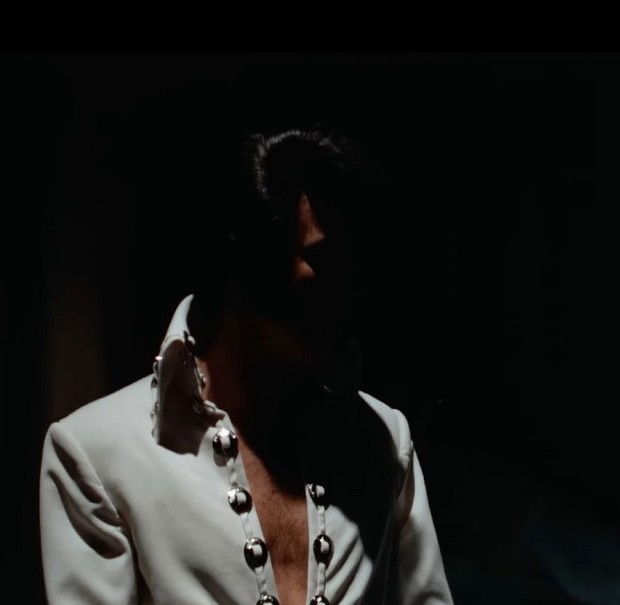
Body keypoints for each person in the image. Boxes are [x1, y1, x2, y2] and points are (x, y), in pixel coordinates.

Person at [39, 128, 454, 605]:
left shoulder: (384, 441)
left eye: (352, 259)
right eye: (323, 258)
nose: (350, 286)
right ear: (247, 262)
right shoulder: (96, 453)